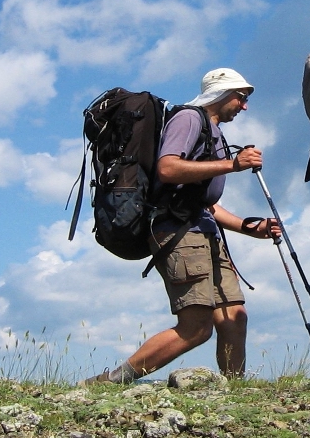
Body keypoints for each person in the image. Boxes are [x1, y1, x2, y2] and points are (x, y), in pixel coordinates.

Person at [83, 68, 280, 384]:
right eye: (241, 98)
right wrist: (234, 164)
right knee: (196, 328)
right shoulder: (189, 119)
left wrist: (249, 226)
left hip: (203, 230)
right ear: (221, 93)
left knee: (234, 317)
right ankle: (109, 382)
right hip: (179, 232)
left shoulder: (212, 130)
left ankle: (235, 392)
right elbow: (168, 168)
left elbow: (206, 204)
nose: (244, 107)